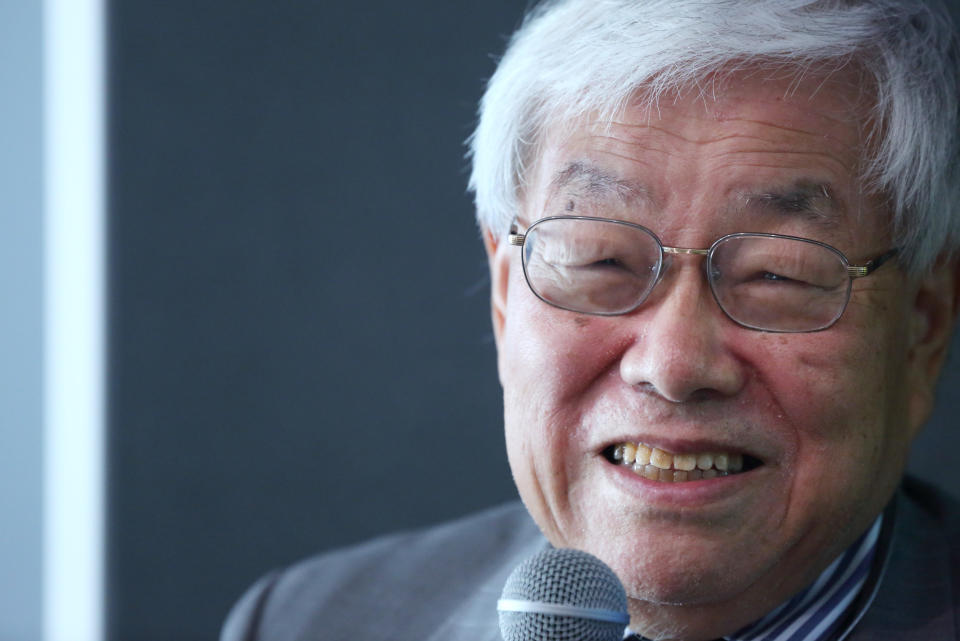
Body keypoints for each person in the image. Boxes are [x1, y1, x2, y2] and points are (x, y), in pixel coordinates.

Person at [221, 1, 960, 639]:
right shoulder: (307, 620)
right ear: (506, 295)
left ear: (922, 327)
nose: (673, 364)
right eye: (601, 261)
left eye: (777, 273)